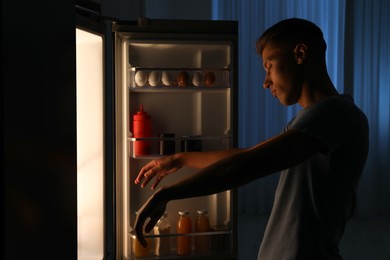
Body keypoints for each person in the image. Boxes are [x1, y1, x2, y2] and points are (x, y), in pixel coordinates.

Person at [133, 18, 369, 259]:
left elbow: (247, 165)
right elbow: (248, 156)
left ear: (299, 54)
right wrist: (180, 159)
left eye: (269, 67)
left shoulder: (334, 114)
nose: (265, 82)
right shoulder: (314, 121)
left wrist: (167, 194)